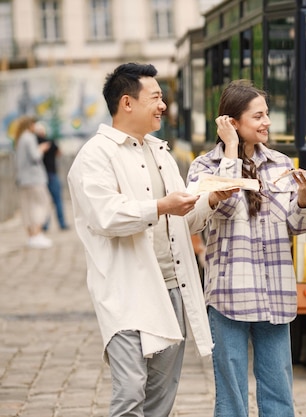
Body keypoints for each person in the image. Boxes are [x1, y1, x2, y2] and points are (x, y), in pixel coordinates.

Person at [67, 63, 214, 417]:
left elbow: (185, 220)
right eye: (156, 97)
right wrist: (161, 205)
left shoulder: (160, 152)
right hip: (127, 290)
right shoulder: (95, 156)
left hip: (173, 287)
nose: (163, 105)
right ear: (127, 103)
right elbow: (106, 216)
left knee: (161, 395)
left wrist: (211, 200)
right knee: (131, 390)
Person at [186, 79, 306, 417]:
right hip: (229, 293)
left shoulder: (280, 163)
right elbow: (220, 209)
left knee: (279, 393)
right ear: (232, 123)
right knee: (230, 397)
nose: (267, 123)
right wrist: (231, 151)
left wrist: (305, 197)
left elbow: (299, 226)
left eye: (267, 115)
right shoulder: (204, 167)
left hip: (275, 289)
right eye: (258, 116)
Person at [14, 115, 53, 249]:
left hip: (23, 180)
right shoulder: (29, 138)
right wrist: (41, 149)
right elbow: (35, 157)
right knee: (43, 204)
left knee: (27, 208)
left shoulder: (19, 139)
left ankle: (32, 236)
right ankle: (37, 234)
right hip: (34, 179)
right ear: (30, 125)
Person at [34, 122, 70, 230]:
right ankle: (62, 224)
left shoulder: (34, 143)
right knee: (58, 200)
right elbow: (59, 153)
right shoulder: (50, 142)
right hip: (51, 174)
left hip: (40, 176)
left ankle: (45, 225)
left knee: (44, 202)